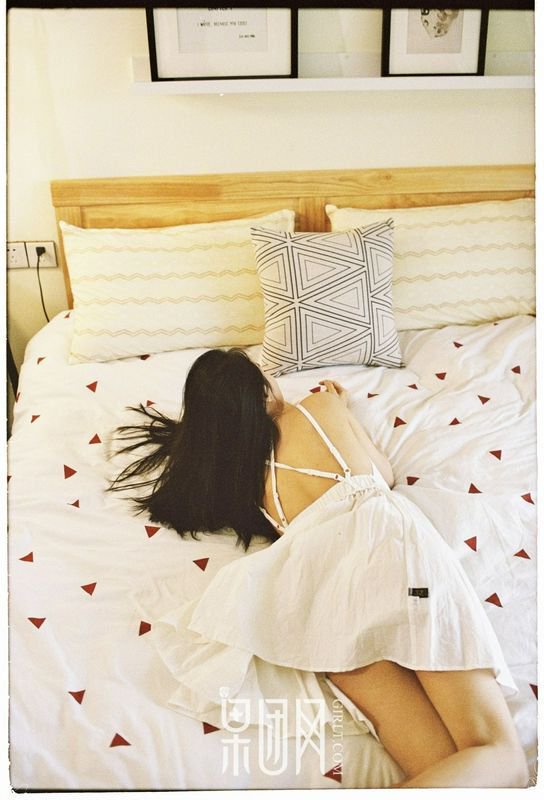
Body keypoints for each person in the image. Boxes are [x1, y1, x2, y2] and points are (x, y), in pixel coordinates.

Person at [109, 347, 528, 789]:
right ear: (261, 391)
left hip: (325, 612)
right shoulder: (316, 407)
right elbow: (383, 475)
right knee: (501, 757)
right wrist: (338, 405)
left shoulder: (248, 487)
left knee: (443, 768)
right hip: (392, 557)